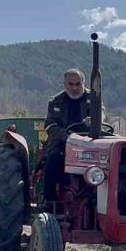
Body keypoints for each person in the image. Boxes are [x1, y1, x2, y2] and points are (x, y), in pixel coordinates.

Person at [40, 68, 91, 201]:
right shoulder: (56, 101)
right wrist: (67, 136)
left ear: (83, 83)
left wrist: (94, 122)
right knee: (53, 160)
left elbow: (101, 116)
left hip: (88, 143)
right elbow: (50, 126)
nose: (74, 88)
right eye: (71, 84)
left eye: (78, 84)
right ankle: (50, 201)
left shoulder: (93, 100)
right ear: (65, 84)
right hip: (63, 142)